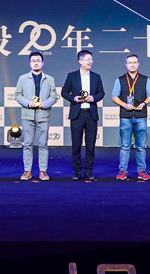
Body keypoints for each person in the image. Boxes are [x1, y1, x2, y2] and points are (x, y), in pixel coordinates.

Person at [61, 50, 105, 181]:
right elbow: (64, 92)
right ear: (80, 61)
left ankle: (89, 172)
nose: (90, 61)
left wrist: (93, 98)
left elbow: (101, 93)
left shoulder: (96, 76)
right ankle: (77, 171)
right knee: (76, 145)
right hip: (77, 114)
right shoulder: (72, 76)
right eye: (87, 59)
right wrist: (74, 98)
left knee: (90, 146)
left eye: (91, 59)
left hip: (91, 114)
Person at [14, 52, 59, 181]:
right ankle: (27, 171)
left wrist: (45, 104)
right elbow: (17, 95)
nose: (36, 63)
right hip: (27, 115)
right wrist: (28, 103)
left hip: (43, 115)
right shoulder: (23, 78)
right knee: (27, 144)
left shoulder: (49, 79)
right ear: (30, 63)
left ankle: (43, 171)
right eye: (33, 61)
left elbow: (54, 96)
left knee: (43, 144)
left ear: (42, 63)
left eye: (38, 60)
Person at [111, 54, 150, 181]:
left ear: (138, 64)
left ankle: (142, 171)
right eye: (130, 62)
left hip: (141, 116)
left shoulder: (145, 79)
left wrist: (143, 103)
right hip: (126, 116)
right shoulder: (120, 80)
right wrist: (124, 105)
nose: (132, 64)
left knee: (141, 146)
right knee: (125, 146)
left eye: (135, 62)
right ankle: (123, 171)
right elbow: (114, 96)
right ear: (126, 64)